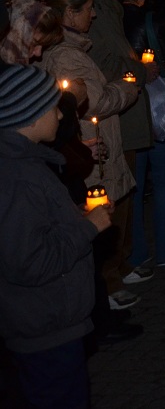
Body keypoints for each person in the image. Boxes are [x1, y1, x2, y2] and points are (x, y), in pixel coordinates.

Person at [0, 64, 113, 409]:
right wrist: (88, 227)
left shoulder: (24, 164)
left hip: (47, 324)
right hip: (45, 329)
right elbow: (29, 260)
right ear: (30, 116)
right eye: (52, 108)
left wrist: (75, 215)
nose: (61, 116)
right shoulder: (18, 176)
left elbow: (33, 227)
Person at [35, 0, 141, 311]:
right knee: (100, 217)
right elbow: (93, 101)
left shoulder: (74, 48)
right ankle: (105, 292)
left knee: (114, 213)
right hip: (89, 147)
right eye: (88, 9)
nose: (93, 15)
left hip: (95, 143)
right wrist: (126, 90)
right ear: (69, 12)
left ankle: (113, 277)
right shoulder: (66, 55)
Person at [69, 0, 158, 291]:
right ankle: (109, 276)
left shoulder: (105, 3)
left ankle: (121, 261)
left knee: (125, 189)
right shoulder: (81, 9)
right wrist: (137, 73)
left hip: (123, 109)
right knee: (109, 192)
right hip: (107, 114)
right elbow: (102, 64)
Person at [110, 0, 165, 269]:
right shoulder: (151, 19)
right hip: (161, 107)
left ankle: (137, 253)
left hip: (126, 111)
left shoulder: (107, 23)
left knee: (133, 185)